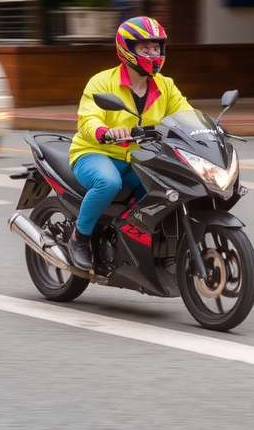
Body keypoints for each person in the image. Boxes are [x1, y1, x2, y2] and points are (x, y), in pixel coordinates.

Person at [67, 16, 193, 270]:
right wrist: (106, 131)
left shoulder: (165, 85)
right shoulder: (102, 82)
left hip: (139, 157)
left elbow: (186, 114)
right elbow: (88, 118)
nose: (153, 53)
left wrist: (209, 130)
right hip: (95, 152)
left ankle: (141, 240)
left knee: (169, 186)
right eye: (145, 48)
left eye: (156, 47)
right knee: (108, 182)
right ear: (127, 49)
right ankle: (79, 237)